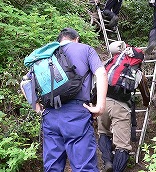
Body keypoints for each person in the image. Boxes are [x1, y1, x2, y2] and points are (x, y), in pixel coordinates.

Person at [41, 27, 108, 172]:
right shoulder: (85, 49)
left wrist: (36, 107)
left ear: (60, 40)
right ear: (76, 39)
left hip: (50, 114)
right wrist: (100, 106)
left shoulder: (47, 53)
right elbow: (101, 73)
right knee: (84, 166)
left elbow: (25, 83)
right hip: (76, 113)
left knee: (52, 167)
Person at [96, 41, 140, 172]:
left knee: (103, 132)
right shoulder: (134, 68)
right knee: (122, 146)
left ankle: (108, 162)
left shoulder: (108, 64)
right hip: (121, 106)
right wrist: (146, 100)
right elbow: (143, 90)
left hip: (103, 103)